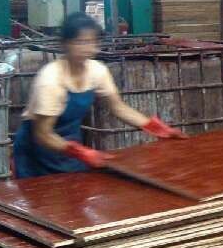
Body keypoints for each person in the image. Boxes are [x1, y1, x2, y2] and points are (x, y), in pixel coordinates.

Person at [13, 12, 186, 179]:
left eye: (91, 42)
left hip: (69, 145)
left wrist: (157, 128)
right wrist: (80, 152)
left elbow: (118, 107)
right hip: (37, 151)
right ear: (65, 44)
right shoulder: (51, 78)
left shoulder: (96, 71)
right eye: (80, 42)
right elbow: (43, 134)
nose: (86, 48)